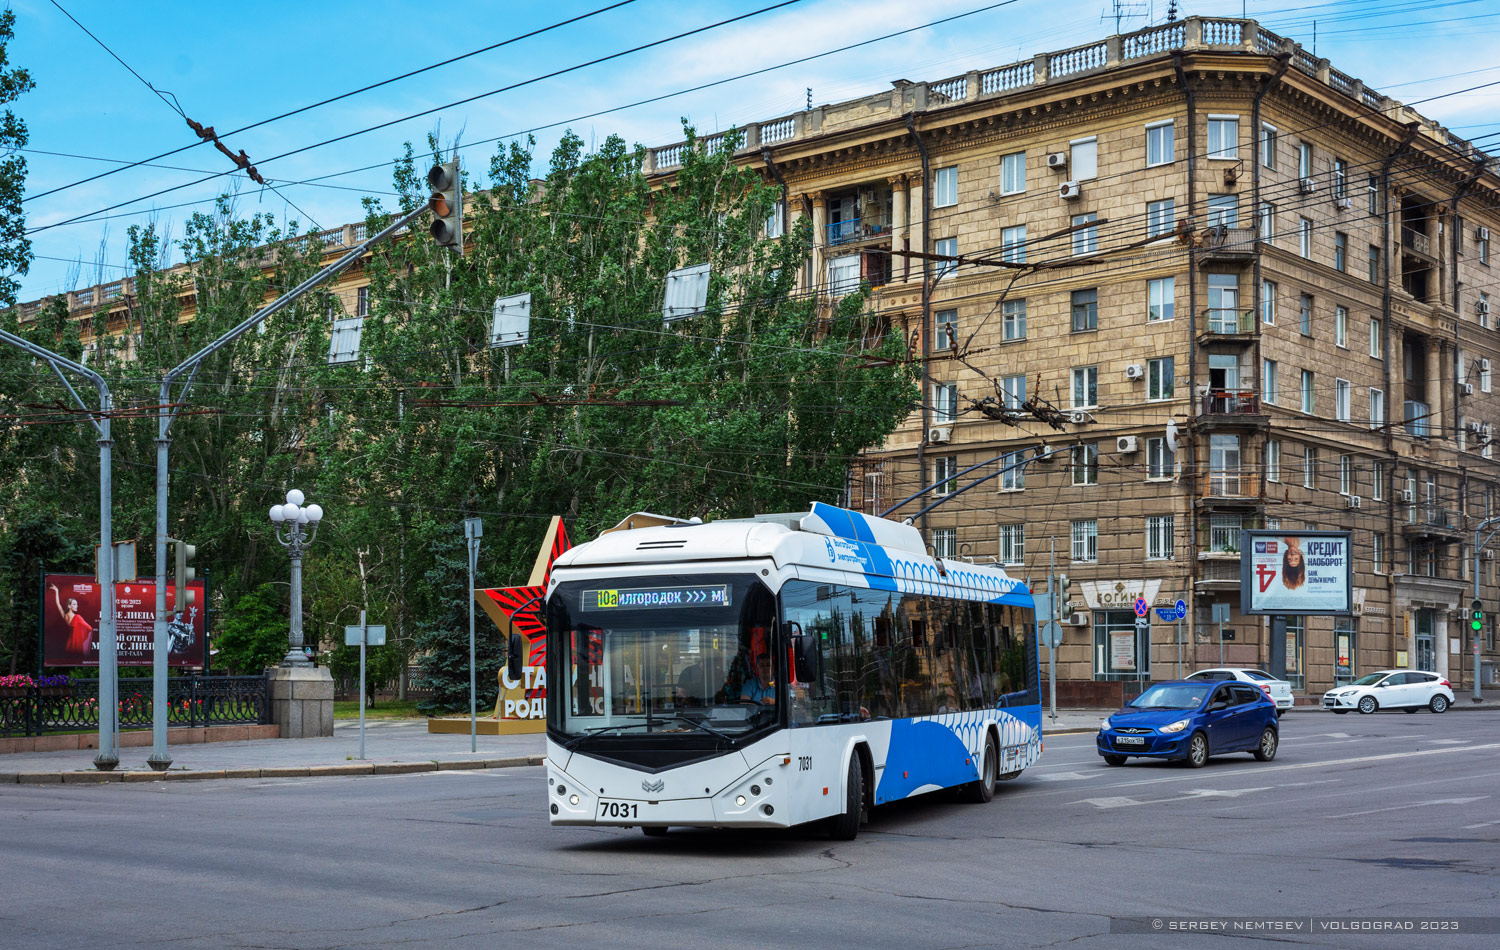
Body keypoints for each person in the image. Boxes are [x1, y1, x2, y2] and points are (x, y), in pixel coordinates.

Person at [49, 583, 94, 657]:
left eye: (77, 604)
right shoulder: (77, 617)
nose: (77, 606)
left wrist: (56, 591)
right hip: (77, 644)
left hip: (69, 644)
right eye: (74, 604)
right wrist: (83, 637)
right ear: (69, 606)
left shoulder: (65, 615)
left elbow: (59, 605)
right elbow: (90, 628)